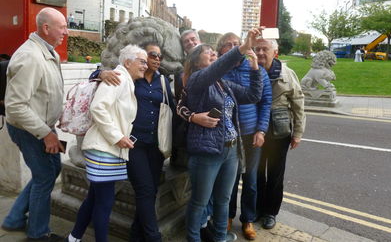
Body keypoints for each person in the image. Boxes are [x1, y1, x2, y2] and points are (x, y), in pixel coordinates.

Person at [184, 28, 263, 242]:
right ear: (195, 60)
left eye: (214, 52)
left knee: (223, 199)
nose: (212, 53)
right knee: (200, 202)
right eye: (207, 51)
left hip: (231, 150)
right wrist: (243, 47)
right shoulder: (197, 80)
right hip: (207, 152)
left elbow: (253, 95)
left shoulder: (224, 84)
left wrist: (255, 68)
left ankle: (219, 237)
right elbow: (218, 68)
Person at [66, 45, 147, 242]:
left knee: (94, 197)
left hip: (106, 148)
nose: (145, 65)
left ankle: (74, 237)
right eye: (142, 61)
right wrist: (117, 137)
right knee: (104, 202)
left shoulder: (125, 79)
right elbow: (98, 108)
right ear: (127, 62)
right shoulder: (118, 78)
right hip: (105, 149)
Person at [2, 7, 67, 241]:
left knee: (51, 171)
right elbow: (16, 106)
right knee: (44, 177)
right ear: (46, 28)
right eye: (62, 27)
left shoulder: (49, 52)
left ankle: (14, 219)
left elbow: (45, 93)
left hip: (43, 126)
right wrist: (45, 133)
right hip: (29, 129)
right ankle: (39, 234)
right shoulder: (30, 56)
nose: (66, 32)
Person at [214, 33, 272, 241]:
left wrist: (261, 130)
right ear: (221, 50)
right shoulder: (219, 71)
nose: (233, 47)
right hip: (229, 134)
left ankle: (247, 219)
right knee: (229, 179)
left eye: (237, 44)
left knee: (251, 179)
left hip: (251, 133)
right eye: (228, 45)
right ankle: (228, 217)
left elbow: (265, 102)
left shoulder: (257, 69)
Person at [126, 42, 176, 242]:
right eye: (152, 55)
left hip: (156, 146)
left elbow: (172, 109)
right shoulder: (131, 76)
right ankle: (153, 237)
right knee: (145, 189)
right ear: (142, 57)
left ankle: (135, 236)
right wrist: (99, 74)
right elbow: (102, 77)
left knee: (150, 191)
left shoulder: (162, 81)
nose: (156, 59)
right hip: (133, 143)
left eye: (159, 56)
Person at [255, 39, 306, 230]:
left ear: (274, 52)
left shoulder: (288, 74)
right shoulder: (250, 70)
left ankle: (270, 213)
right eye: (257, 48)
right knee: (256, 174)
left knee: (275, 175)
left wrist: (298, 133)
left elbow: (298, 105)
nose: (260, 52)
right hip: (255, 131)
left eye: (264, 49)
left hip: (280, 131)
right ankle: (257, 209)